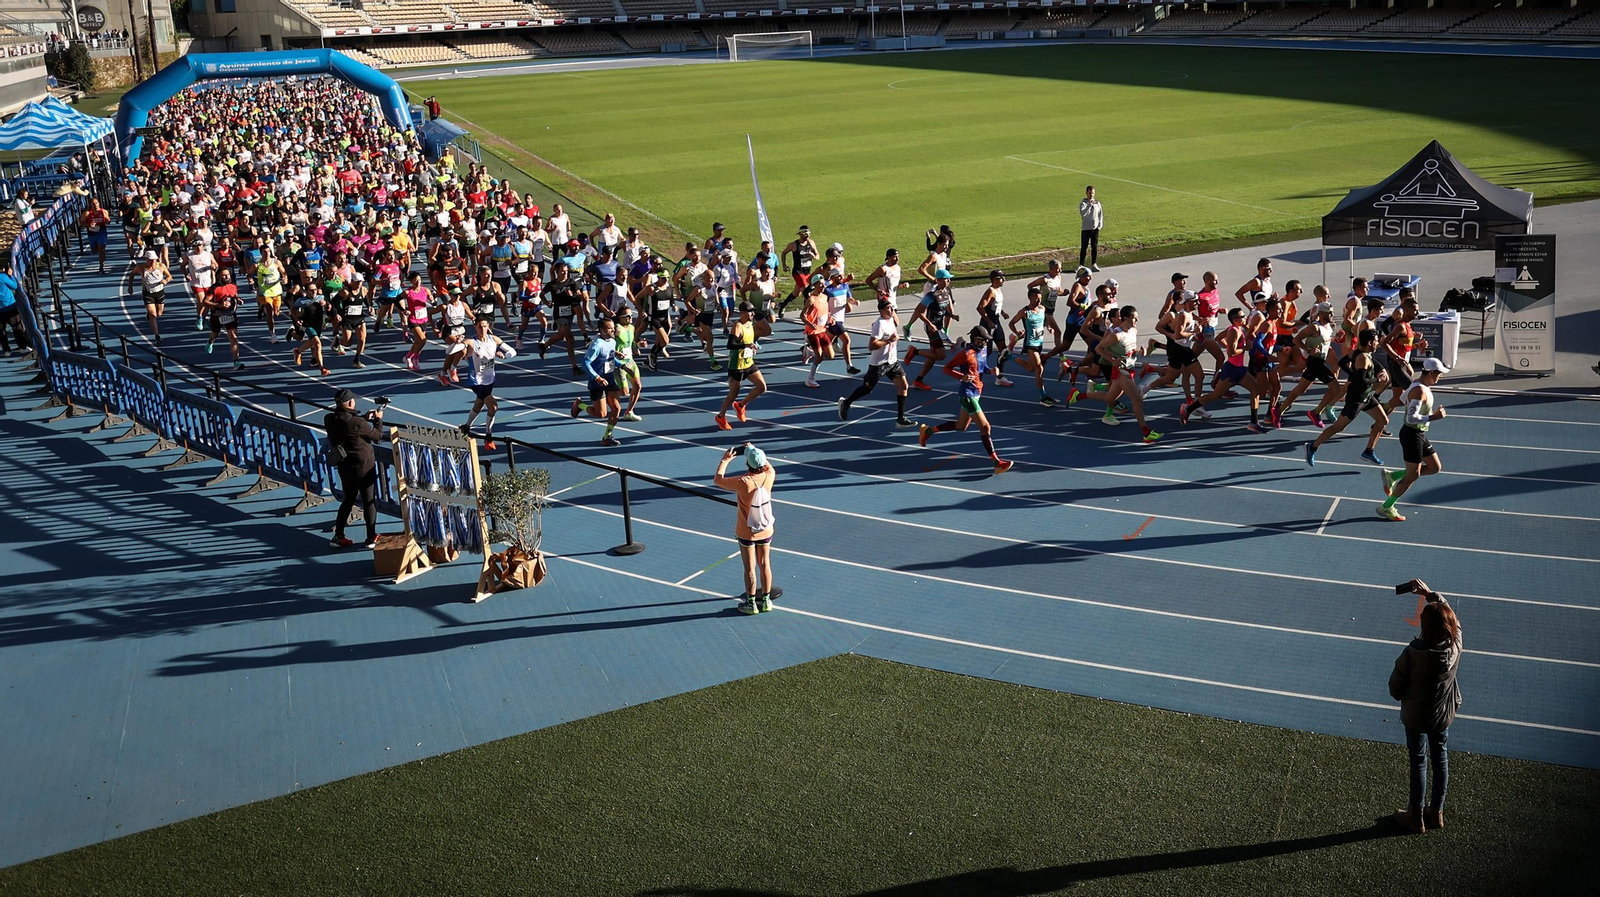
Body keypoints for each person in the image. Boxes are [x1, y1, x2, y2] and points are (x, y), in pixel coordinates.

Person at [1388, 580, 1462, 834]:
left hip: (1416, 717)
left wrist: (1403, 694)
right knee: (1440, 757)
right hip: (1442, 716)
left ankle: (1416, 817)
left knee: (1419, 761)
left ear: (1424, 626)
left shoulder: (1412, 653)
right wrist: (1432, 595)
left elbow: (1395, 688)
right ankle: (1437, 812)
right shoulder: (1455, 647)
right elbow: (1455, 621)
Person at [918, 326, 1013, 474]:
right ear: (975, 339)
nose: (985, 343)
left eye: (986, 341)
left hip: (977, 393)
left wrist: (991, 371)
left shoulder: (983, 351)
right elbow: (946, 368)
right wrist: (961, 376)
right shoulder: (966, 354)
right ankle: (997, 463)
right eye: (983, 340)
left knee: (961, 426)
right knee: (985, 427)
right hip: (967, 395)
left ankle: (928, 431)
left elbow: (982, 367)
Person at [1305, 328, 1391, 467]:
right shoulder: (1363, 358)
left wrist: (1353, 373)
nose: (1377, 344)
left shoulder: (1358, 353)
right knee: (1338, 427)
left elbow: (1342, 363)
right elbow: (1362, 380)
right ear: (1369, 342)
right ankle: (1313, 446)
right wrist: (1377, 380)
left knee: (1382, 420)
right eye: (1376, 341)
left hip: (1367, 396)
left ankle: (1368, 451)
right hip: (1357, 399)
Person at [1378, 357, 1449, 522]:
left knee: (1434, 467)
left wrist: (1386, 407)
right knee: (1412, 476)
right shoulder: (1419, 391)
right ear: (1430, 372)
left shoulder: (1418, 385)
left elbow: (1402, 400)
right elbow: (1411, 417)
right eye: (1439, 373)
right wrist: (1433, 417)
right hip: (1412, 435)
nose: (1440, 377)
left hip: (1419, 433)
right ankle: (1387, 507)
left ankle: (1392, 476)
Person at [714, 443, 779, 615]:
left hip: (747, 532)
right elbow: (766, 464)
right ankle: (766, 601)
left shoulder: (743, 482)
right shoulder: (770, 475)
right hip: (765, 528)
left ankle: (751, 604)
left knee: (750, 567)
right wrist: (754, 450)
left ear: (747, 464)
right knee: (765, 564)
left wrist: (725, 460)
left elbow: (718, 480)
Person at [839, 299, 918, 428]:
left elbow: (896, 321)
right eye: (888, 308)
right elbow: (872, 346)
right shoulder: (879, 324)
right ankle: (846, 403)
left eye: (892, 308)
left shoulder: (891, 319)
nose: (891, 310)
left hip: (892, 361)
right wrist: (889, 340)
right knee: (867, 389)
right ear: (881, 311)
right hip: (879, 363)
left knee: (904, 386)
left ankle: (900, 419)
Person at [324, 389, 384, 549]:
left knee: (348, 499)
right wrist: (378, 420)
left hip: (344, 465)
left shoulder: (329, 418)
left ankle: (338, 535)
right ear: (351, 403)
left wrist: (363, 418)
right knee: (368, 501)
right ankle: (371, 537)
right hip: (363, 468)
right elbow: (377, 435)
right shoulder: (357, 423)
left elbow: (347, 425)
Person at [450, 316, 518, 451]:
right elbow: (451, 351)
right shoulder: (471, 342)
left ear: (488, 327)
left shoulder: (494, 340)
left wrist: (504, 356)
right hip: (476, 381)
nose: (482, 329)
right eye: (480, 326)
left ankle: (466, 427)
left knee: (479, 404)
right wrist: (456, 344)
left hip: (490, 380)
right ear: (475, 327)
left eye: (485, 326)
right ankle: (488, 437)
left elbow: (513, 352)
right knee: (493, 407)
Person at [571, 316, 623, 447]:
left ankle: (607, 436)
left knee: (616, 408)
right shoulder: (597, 345)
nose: (613, 330)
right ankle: (580, 405)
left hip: (609, 379)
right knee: (601, 414)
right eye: (610, 329)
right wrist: (597, 378)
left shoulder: (612, 341)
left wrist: (621, 364)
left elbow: (609, 358)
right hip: (597, 382)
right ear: (602, 330)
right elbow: (585, 363)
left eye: (613, 328)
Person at [716, 302, 766, 430]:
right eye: (750, 312)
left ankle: (740, 405)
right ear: (742, 313)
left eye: (753, 311)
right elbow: (730, 344)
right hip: (736, 365)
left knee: (761, 387)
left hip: (748, 362)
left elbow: (750, 340)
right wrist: (746, 346)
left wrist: (752, 347)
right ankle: (721, 417)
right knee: (733, 393)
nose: (753, 314)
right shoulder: (738, 326)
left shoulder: (750, 323)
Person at [129, 250, 171, 346]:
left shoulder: (161, 266)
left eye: (154, 260)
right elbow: (132, 274)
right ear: (146, 259)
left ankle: (150, 315)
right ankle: (157, 336)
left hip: (159, 292)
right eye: (151, 260)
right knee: (153, 314)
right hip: (148, 293)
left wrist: (166, 280)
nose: (153, 262)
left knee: (159, 314)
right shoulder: (141, 268)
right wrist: (130, 286)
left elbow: (169, 276)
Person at [81, 198, 110, 273]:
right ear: (90, 205)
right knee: (94, 250)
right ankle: (96, 250)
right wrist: (89, 225)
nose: (95, 205)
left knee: (101, 249)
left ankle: (101, 266)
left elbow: (108, 221)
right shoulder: (87, 213)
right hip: (92, 234)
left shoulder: (104, 211)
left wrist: (107, 221)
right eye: (93, 204)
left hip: (102, 232)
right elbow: (81, 223)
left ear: (99, 203)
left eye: (96, 203)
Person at [1078, 185, 1103, 273]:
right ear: (1086, 193)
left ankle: (1094, 264)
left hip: (1095, 228)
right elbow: (1083, 214)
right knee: (1084, 247)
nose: (1091, 195)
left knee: (1094, 246)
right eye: (1089, 193)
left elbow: (1100, 214)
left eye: (1092, 193)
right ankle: (1081, 265)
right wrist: (1089, 205)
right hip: (1086, 228)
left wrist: (1100, 225)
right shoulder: (1083, 203)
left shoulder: (1097, 203)